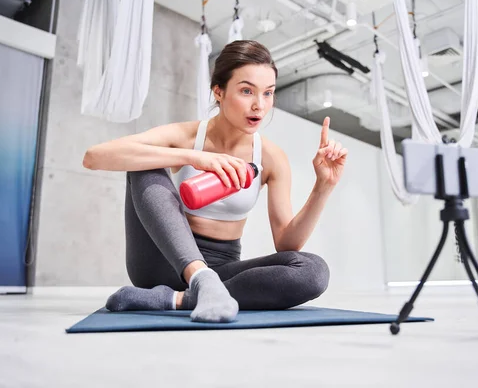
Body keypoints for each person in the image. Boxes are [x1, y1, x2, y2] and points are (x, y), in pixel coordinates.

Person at [82, 40, 348, 323]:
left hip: (222, 270)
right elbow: (93, 157)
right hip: (160, 262)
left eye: (268, 93)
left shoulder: (271, 157)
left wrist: (324, 186)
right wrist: (195, 158)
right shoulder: (186, 136)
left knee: (313, 270)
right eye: (247, 91)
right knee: (142, 163)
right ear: (218, 91)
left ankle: (178, 299)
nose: (259, 105)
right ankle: (199, 280)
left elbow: (286, 243)